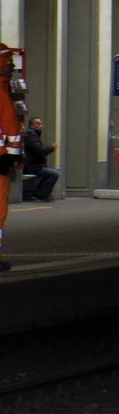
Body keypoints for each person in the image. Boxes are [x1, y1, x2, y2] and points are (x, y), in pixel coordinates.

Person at [0, 44, 23, 272]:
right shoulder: (1, 94)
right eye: (8, 62)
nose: (12, 67)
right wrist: (10, 157)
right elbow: (10, 129)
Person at [24, 117, 60, 202]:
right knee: (54, 174)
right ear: (32, 125)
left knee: (50, 173)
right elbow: (40, 151)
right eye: (38, 124)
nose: (41, 126)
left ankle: (38, 194)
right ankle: (40, 195)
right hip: (33, 166)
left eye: (41, 124)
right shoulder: (31, 136)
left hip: (35, 165)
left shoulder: (33, 135)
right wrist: (51, 147)